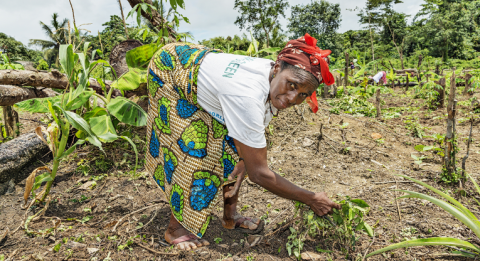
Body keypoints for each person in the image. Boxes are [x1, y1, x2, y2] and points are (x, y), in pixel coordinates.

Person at [145, 33, 341, 250]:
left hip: (205, 70)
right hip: (170, 70)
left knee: (238, 153)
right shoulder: (246, 96)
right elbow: (259, 174)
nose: (293, 99)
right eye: (292, 85)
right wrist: (311, 198)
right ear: (277, 68)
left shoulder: (272, 78)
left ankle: (230, 217)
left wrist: (243, 157)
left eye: (304, 94)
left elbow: (248, 155)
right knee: (197, 150)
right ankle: (176, 229)